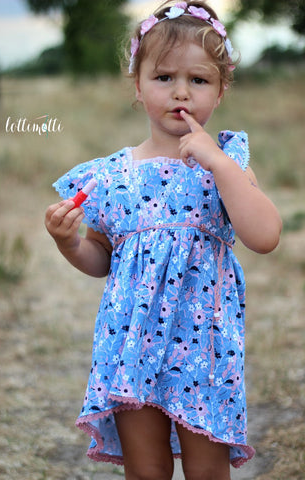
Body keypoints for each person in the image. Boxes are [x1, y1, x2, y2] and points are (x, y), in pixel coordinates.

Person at [45, 1, 282, 478]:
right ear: (137, 85)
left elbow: (265, 235)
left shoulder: (228, 165)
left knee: (207, 469)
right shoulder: (114, 175)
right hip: (131, 346)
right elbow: (102, 258)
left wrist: (217, 163)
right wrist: (69, 244)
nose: (181, 93)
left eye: (198, 80)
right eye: (163, 78)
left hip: (204, 351)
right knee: (146, 469)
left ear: (220, 91)